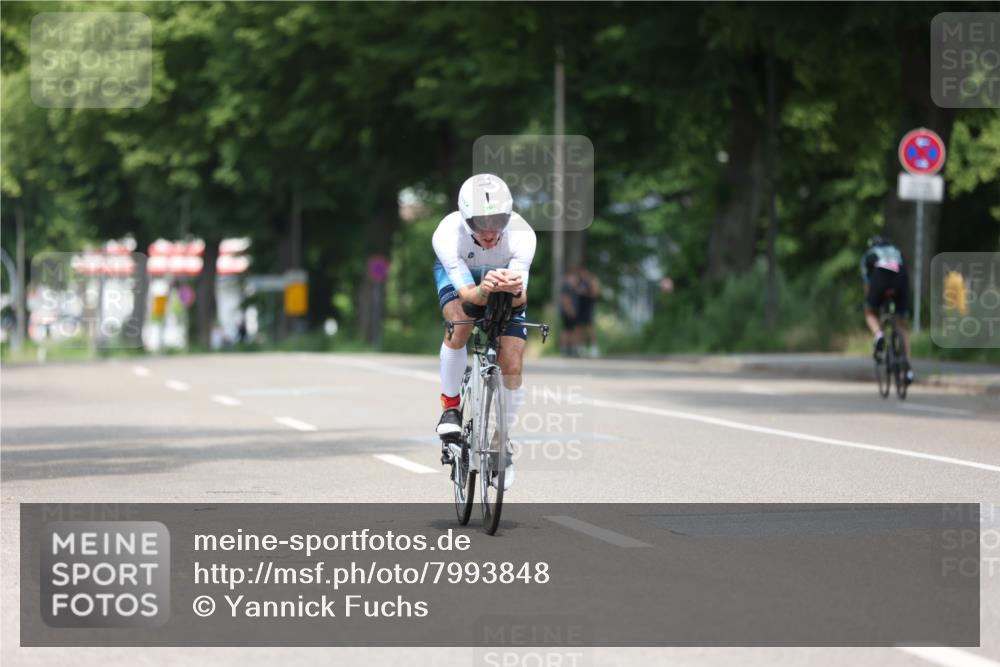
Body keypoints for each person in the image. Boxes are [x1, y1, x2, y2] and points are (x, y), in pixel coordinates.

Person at [432, 174, 536, 490]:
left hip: (503, 278)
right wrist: (483, 291)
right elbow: (468, 296)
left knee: (513, 362)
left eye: (498, 221)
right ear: (466, 219)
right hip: (464, 280)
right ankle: (450, 408)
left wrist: (511, 289)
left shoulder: (522, 235)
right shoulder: (448, 234)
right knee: (460, 325)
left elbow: (521, 299)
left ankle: (500, 442)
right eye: (481, 223)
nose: (490, 232)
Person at [861, 234, 913, 383]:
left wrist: (870, 302)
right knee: (902, 324)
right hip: (900, 279)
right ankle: (908, 369)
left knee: (870, 312)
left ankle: (879, 335)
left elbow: (867, 283)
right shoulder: (896, 251)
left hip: (879, 278)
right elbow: (904, 270)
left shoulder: (869, 255)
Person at [573, 265, 600, 357]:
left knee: (590, 327)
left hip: (588, 306)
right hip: (580, 307)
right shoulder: (579, 281)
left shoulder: (591, 281)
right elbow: (575, 290)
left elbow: (595, 293)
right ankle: (581, 348)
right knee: (579, 328)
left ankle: (594, 348)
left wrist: (584, 292)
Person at [558, 268, 579, 356]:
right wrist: (569, 310)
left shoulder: (570, 286)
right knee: (567, 331)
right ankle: (566, 349)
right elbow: (564, 299)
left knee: (570, 330)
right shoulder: (566, 286)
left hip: (569, 310)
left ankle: (569, 349)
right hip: (568, 311)